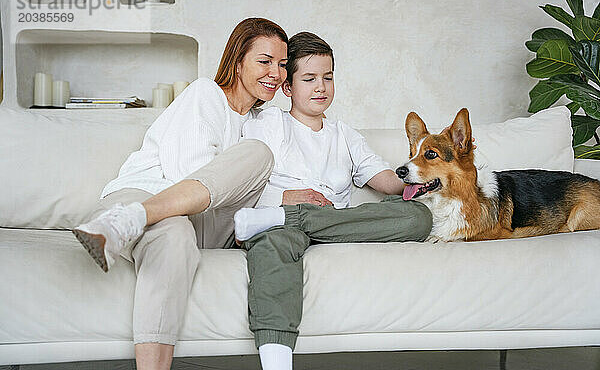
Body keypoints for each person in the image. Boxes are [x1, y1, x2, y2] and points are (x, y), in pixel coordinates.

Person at [72, 18, 288, 370]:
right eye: (264, 61)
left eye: (281, 64)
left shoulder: (262, 124)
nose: (275, 74)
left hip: (195, 220)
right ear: (237, 61)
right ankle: (128, 216)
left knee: (258, 154)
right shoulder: (207, 93)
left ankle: (131, 220)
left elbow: (252, 196)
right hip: (142, 193)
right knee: (174, 238)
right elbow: (184, 172)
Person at [234, 32, 433, 370]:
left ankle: (296, 217)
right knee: (273, 246)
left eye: (328, 77)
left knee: (419, 218)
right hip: (276, 219)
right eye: (309, 79)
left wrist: (414, 179)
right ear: (287, 87)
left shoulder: (345, 134)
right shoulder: (268, 123)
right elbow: (242, 184)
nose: (321, 87)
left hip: (331, 226)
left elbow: (382, 180)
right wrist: (284, 198)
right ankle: (277, 362)